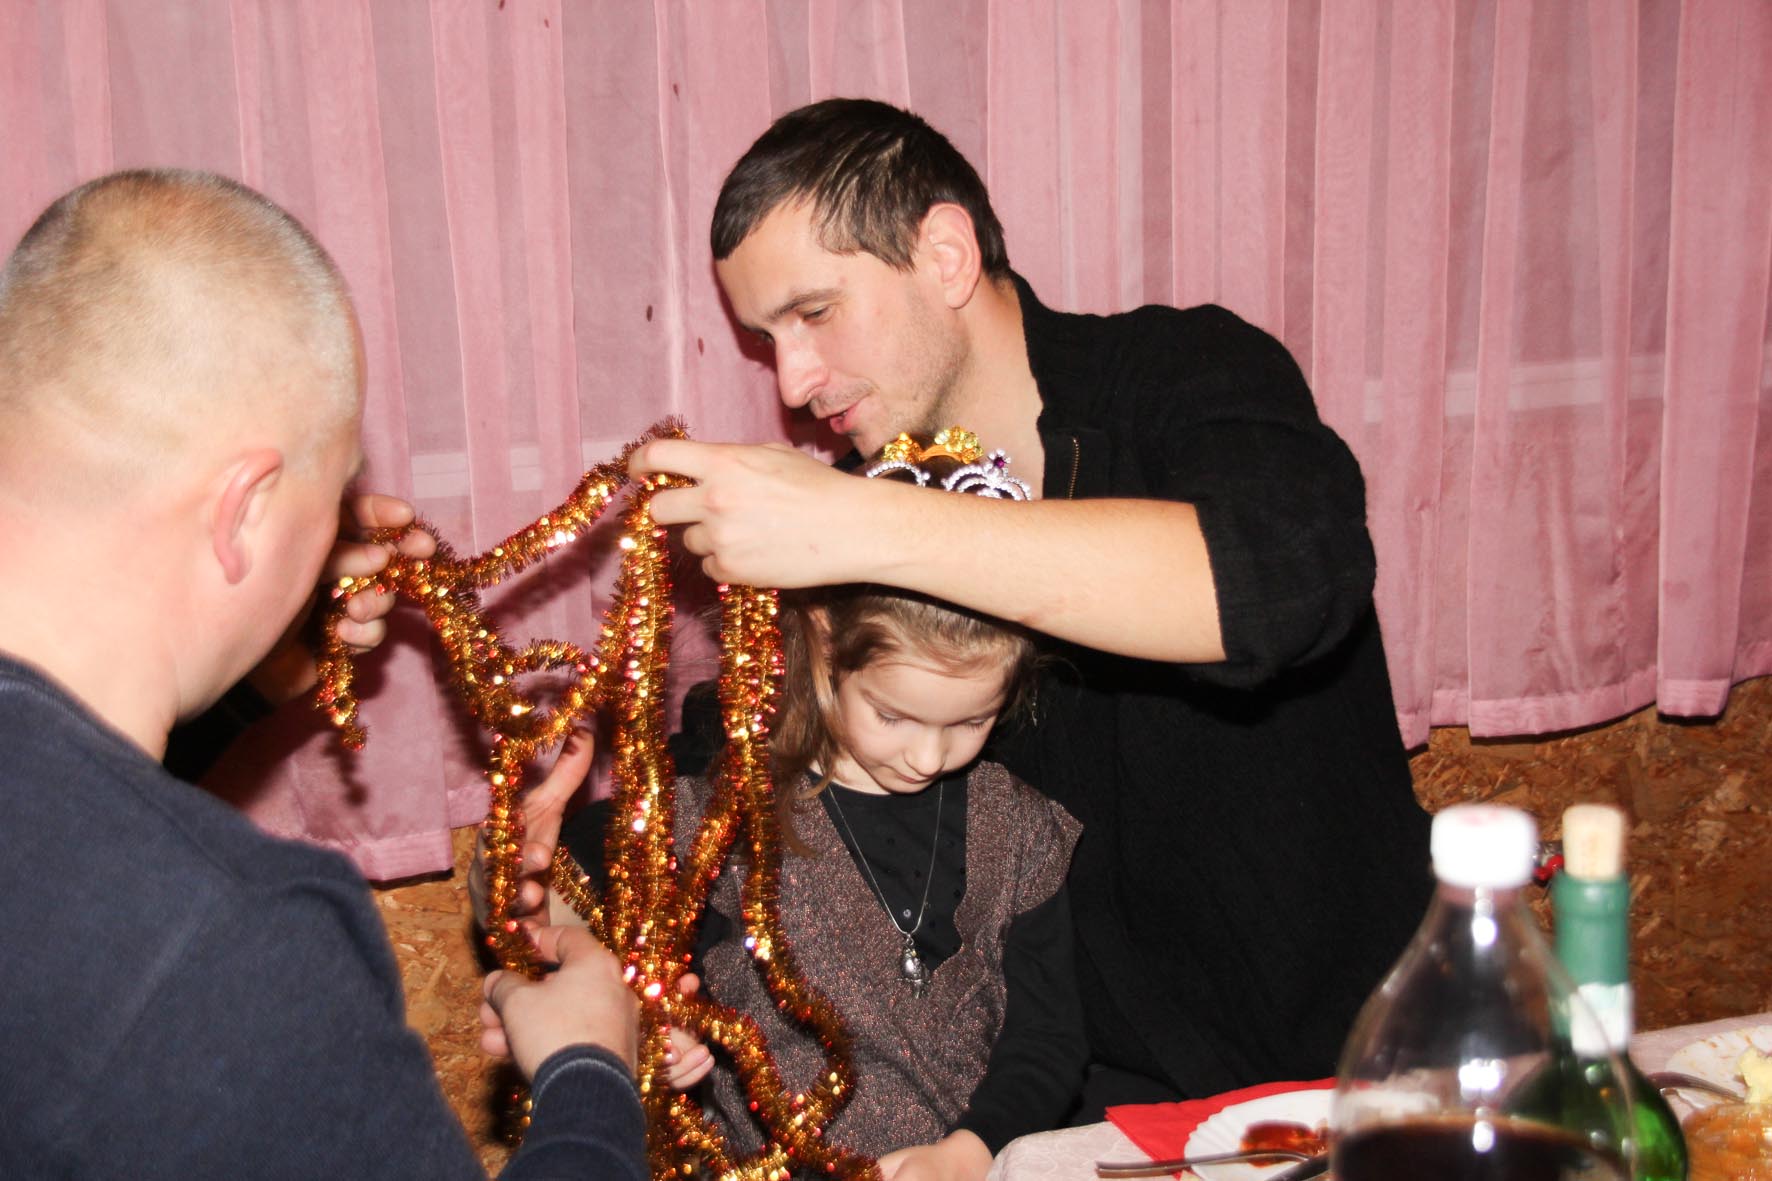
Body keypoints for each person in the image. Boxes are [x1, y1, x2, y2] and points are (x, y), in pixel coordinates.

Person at [614, 97, 1436, 1118]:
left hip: (1367, 1062)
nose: (791, 381)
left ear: (945, 256)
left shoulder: (1180, 371)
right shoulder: (865, 509)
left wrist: (862, 525)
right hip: (1087, 1107)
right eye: (765, 338)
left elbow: (1279, 581)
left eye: (813, 313)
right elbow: (732, 748)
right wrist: (570, 906)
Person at [0, 169, 644, 1178]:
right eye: (332, 491)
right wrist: (590, 1073)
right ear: (244, 510)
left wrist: (253, 664)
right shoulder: (230, 944)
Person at [547, 438, 1083, 1181]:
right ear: (824, 645)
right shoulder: (727, 818)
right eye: (894, 715)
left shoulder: (1022, 831)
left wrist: (972, 1150)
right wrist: (641, 1021)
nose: (930, 756)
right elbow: (549, 887)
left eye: (971, 722)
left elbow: (1049, 1040)